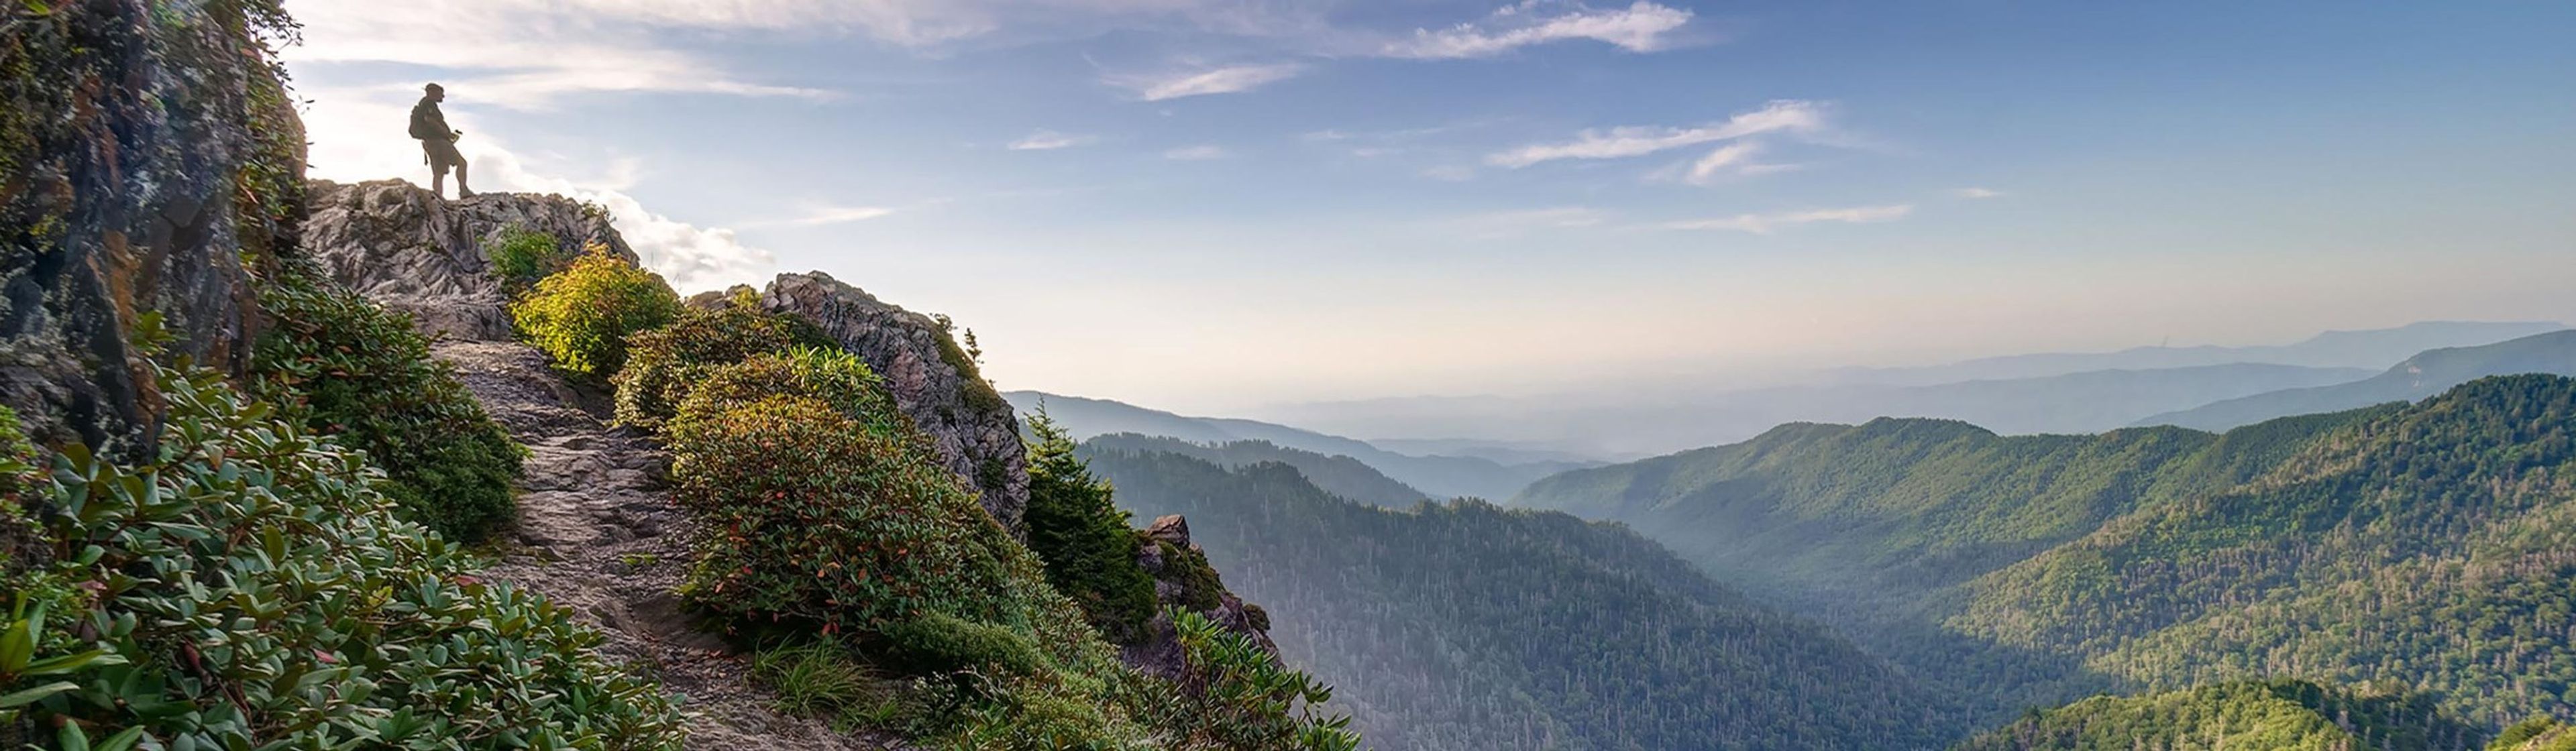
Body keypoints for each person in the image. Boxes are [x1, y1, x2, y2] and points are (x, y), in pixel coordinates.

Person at [410, 83, 474, 198]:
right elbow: (430, 121)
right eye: (441, 93)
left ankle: (438, 197)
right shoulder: (429, 105)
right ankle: (463, 190)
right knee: (461, 163)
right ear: (432, 92)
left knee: (439, 173)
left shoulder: (423, 105)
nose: (443, 96)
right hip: (438, 142)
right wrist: (447, 135)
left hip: (429, 143)